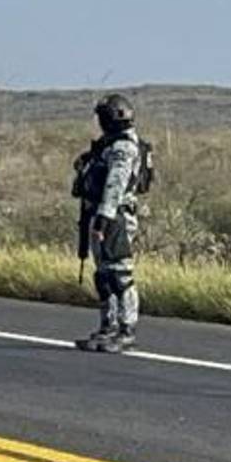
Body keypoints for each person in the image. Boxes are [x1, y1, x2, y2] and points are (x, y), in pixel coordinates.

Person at [73, 93, 144, 353]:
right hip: (101, 213)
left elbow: (115, 186)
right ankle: (108, 326)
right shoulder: (108, 145)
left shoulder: (123, 147)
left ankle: (127, 328)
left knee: (120, 274)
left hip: (115, 217)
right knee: (103, 275)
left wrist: (103, 220)